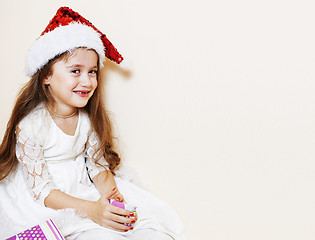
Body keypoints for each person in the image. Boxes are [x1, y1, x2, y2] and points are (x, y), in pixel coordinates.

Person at [0, 6, 185, 240]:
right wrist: (93, 211)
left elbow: (97, 167)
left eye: (92, 72)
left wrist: (111, 198)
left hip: (83, 187)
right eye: (75, 71)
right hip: (51, 200)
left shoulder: (87, 120)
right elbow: (42, 192)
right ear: (46, 76)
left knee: (146, 228)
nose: (87, 81)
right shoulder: (30, 127)